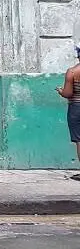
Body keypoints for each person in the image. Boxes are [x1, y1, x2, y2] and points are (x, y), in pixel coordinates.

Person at [55, 44, 80, 179]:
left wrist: (60, 91)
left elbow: (68, 93)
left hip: (76, 108)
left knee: (79, 140)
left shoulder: (72, 72)